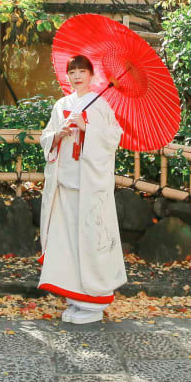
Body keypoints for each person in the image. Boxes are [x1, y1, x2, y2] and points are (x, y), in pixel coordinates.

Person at [38, 54, 126, 323]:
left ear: (91, 75)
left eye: (82, 72)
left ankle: (93, 301)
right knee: (67, 243)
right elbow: (46, 137)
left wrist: (87, 128)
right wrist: (58, 134)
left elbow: (113, 138)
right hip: (65, 184)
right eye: (72, 72)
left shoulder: (100, 104)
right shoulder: (61, 105)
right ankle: (75, 298)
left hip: (89, 186)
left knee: (89, 239)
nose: (77, 76)